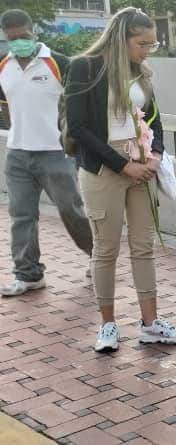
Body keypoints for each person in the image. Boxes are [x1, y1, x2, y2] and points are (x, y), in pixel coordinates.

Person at [64, 7, 176, 352]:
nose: (146, 50)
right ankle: (107, 326)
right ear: (122, 37)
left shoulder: (141, 72)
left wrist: (157, 155)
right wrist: (122, 165)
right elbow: (78, 128)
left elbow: (156, 120)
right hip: (105, 169)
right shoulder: (84, 68)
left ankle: (151, 324)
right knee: (105, 249)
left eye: (151, 44)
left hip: (142, 166)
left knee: (143, 247)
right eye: (141, 43)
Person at [0, 9, 93, 297]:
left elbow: (81, 102)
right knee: (22, 215)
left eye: (24, 36)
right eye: (12, 39)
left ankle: (98, 257)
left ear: (34, 31)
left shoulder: (59, 63)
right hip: (17, 153)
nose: (19, 43)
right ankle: (28, 275)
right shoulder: (4, 66)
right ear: (5, 37)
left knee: (71, 210)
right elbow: (8, 103)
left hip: (56, 152)